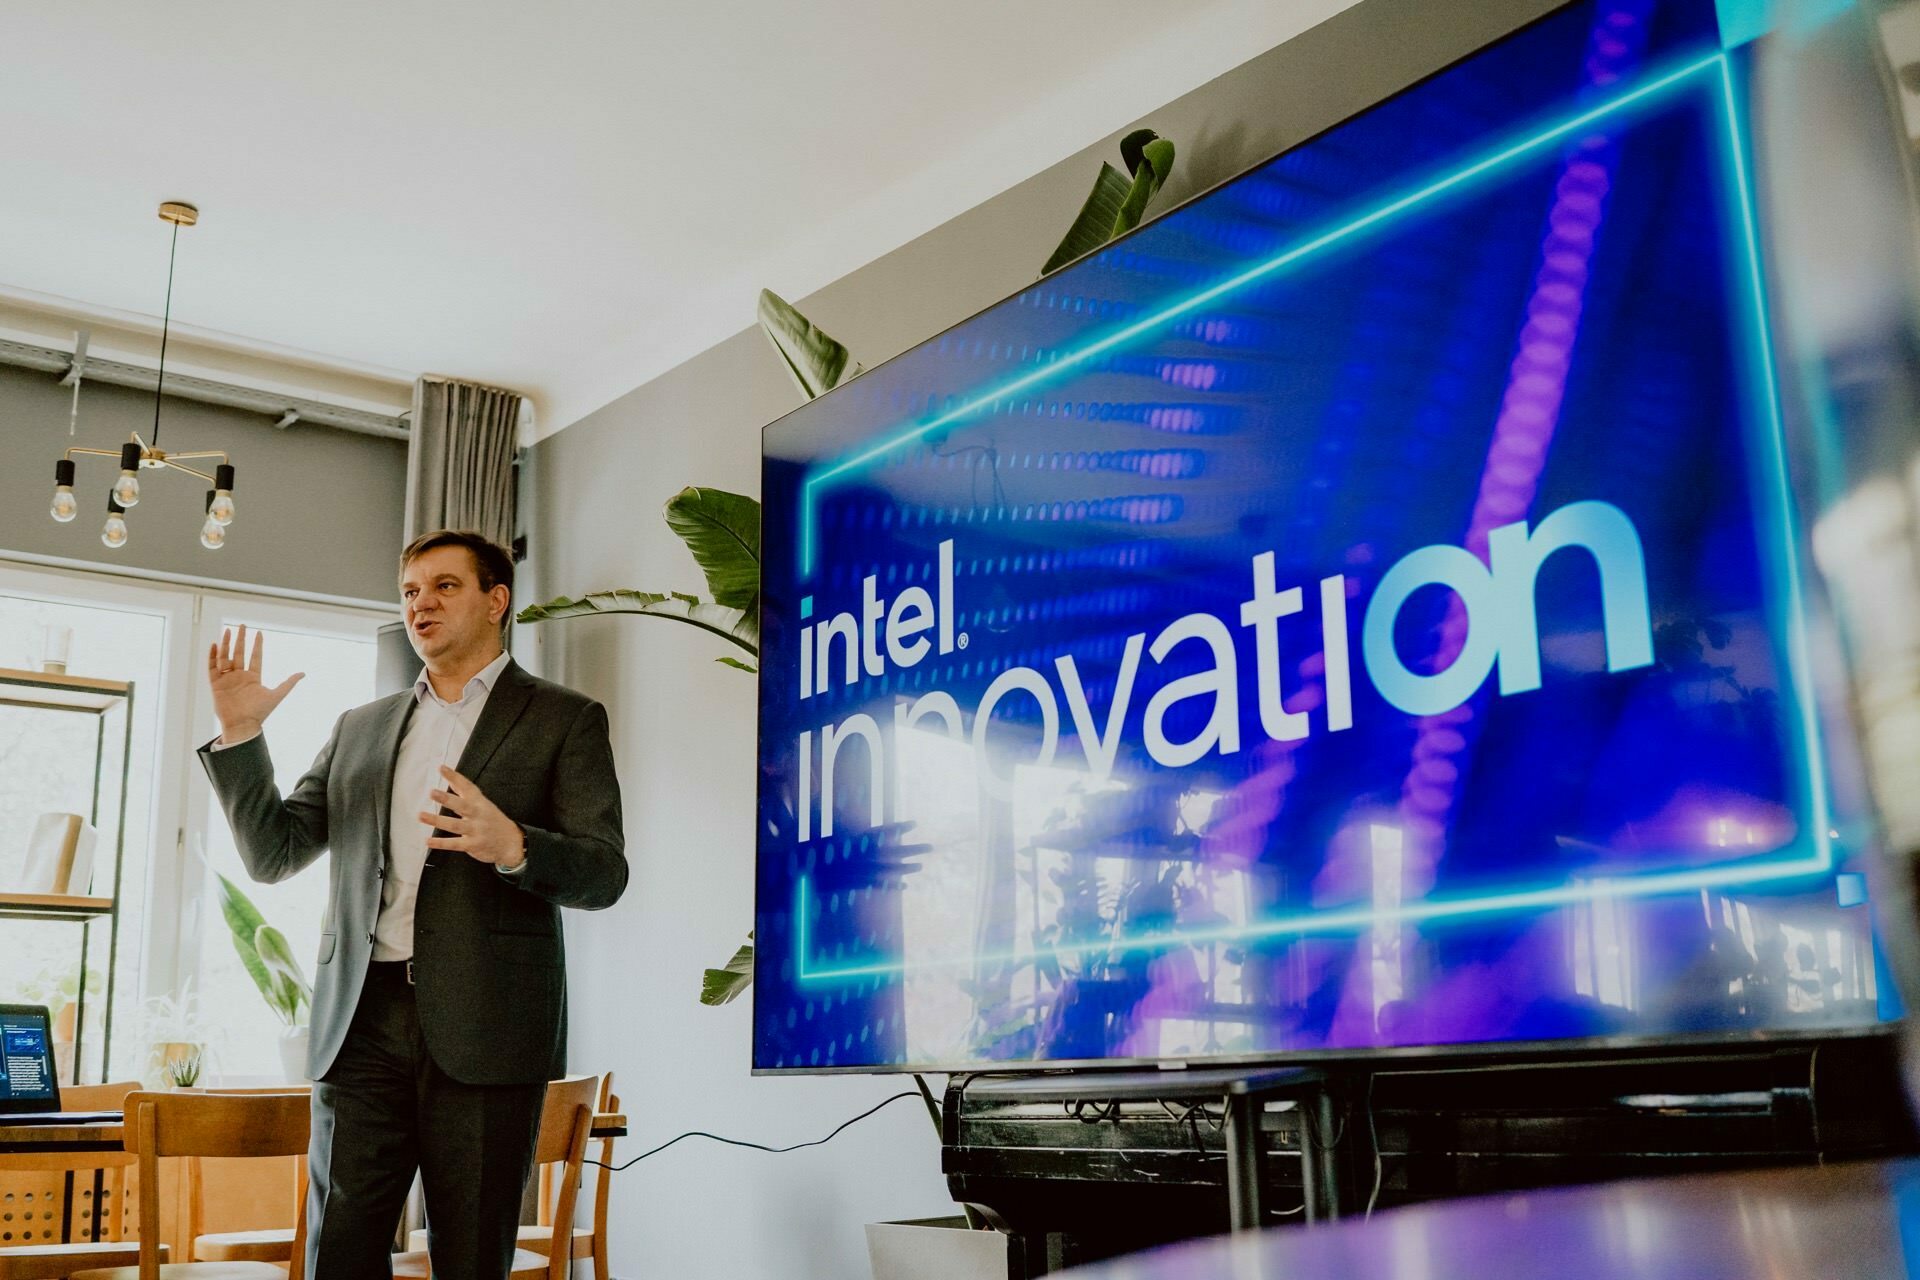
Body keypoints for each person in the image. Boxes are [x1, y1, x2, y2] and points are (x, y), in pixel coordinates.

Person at [199, 529, 627, 1279]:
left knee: (468, 1258)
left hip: (488, 1031)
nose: (420, 604)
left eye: (444, 586)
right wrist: (242, 734)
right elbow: (274, 854)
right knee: (340, 1252)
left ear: (496, 601)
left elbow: (605, 873)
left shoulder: (565, 719)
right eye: (408, 592)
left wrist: (516, 846)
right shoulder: (360, 728)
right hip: (360, 1023)